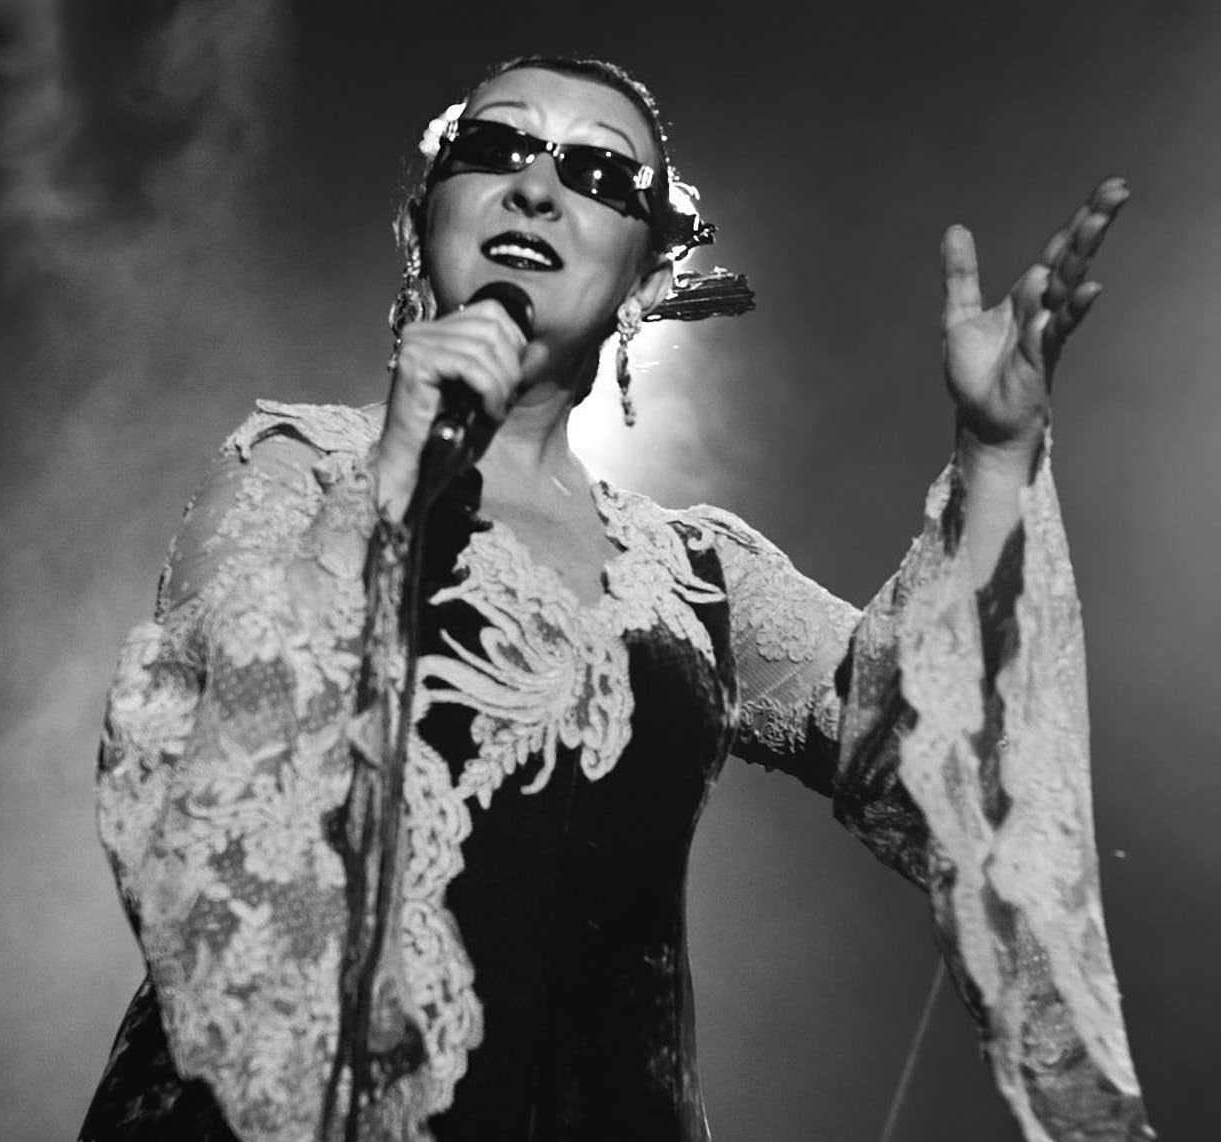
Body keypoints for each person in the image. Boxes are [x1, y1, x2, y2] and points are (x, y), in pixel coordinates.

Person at [78, 55, 1152, 1142]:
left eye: (597, 172)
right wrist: (394, 475)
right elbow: (202, 793)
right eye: (495, 148)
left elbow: (939, 763)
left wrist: (995, 454)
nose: (536, 187)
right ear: (422, 223)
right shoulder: (298, 468)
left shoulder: (696, 572)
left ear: (643, 282)